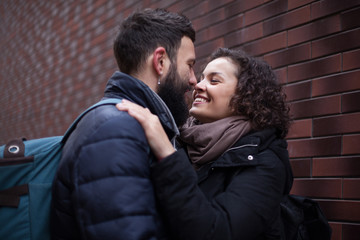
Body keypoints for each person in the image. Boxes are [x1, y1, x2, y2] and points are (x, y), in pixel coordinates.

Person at [117, 48, 293, 240]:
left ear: (247, 95)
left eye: (214, 80)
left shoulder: (265, 163)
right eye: (201, 78)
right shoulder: (183, 142)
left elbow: (218, 232)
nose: (198, 85)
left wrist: (168, 154)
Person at [51, 8, 197, 240]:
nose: (193, 79)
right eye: (189, 65)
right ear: (160, 61)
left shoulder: (127, 125)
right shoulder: (115, 130)